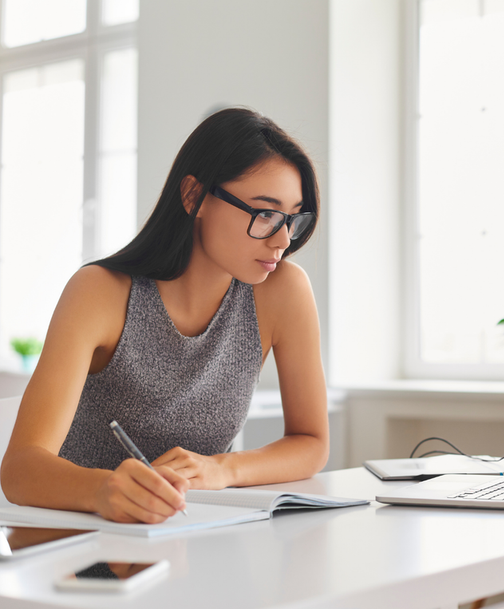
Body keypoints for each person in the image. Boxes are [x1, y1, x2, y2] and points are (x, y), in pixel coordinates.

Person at [0, 107, 329, 524]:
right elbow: (19, 470)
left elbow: (311, 441)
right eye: (264, 213)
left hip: (192, 538)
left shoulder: (283, 291)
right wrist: (104, 489)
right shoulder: (100, 292)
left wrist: (222, 469)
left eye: (291, 218)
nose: (282, 239)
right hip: (81, 542)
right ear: (194, 195)